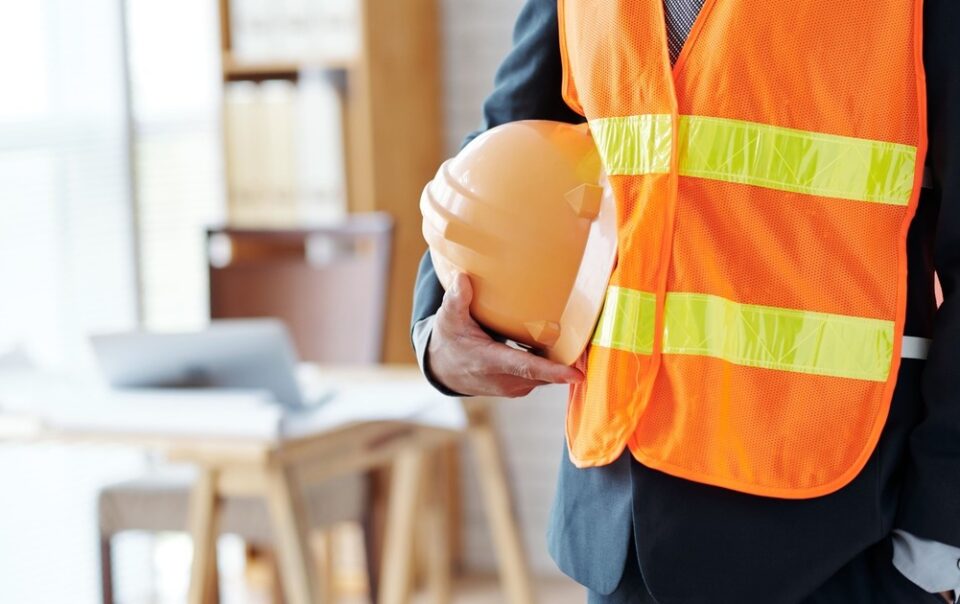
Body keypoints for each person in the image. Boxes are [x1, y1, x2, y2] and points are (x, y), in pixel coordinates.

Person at [412, 1, 960, 602]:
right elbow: (506, 146)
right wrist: (441, 331)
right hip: (620, 524)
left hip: (837, 532)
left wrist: (935, 537)